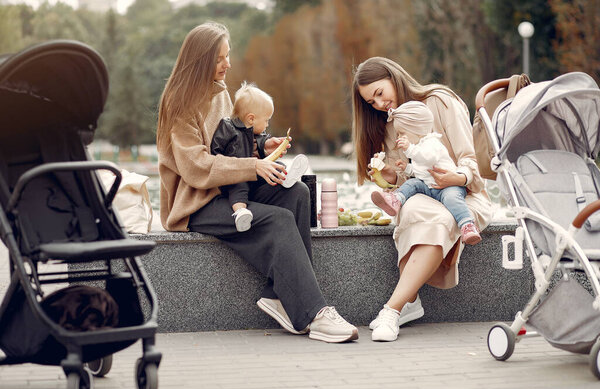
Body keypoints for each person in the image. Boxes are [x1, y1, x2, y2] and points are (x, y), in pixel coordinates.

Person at [156, 22, 358, 343]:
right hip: (196, 204)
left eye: (228, 56)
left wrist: (262, 147)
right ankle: (313, 313)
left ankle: (278, 295)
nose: (228, 64)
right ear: (200, 61)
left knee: (297, 192)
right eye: (220, 58)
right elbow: (196, 167)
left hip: (230, 191)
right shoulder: (178, 105)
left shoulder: (221, 95)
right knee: (277, 220)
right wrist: (254, 166)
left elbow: (232, 144)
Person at [352, 56, 492, 342]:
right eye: (371, 102)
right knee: (414, 207)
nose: (379, 105)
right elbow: (410, 178)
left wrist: (457, 178)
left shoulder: (441, 102)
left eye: (379, 93)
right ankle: (408, 301)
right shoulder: (389, 125)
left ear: (394, 77)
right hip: (423, 192)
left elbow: (473, 164)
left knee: (443, 217)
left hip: (464, 193)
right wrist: (389, 176)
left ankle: (393, 308)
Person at [370, 100, 481, 245]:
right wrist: (407, 168)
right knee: (413, 183)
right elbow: (422, 171)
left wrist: (409, 149)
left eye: (402, 133)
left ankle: (467, 225)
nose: (399, 138)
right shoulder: (419, 146)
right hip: (429, 186)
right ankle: (395, 200)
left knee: (452, 199)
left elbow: (428, 158)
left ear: (417, 129)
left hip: (448, 186)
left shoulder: (432, 143)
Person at [210, 81, 309, 232]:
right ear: (251, 119)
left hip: (253, 174)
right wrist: (230, 164)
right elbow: (216, 150)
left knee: (276, 167)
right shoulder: (228, 127)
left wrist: (267, 144)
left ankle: (285, 177)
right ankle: (240, 212)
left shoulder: (254, 132)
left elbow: (259, 142)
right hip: (236, 176)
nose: (267, 124)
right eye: (266, 120)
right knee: (239, 187)